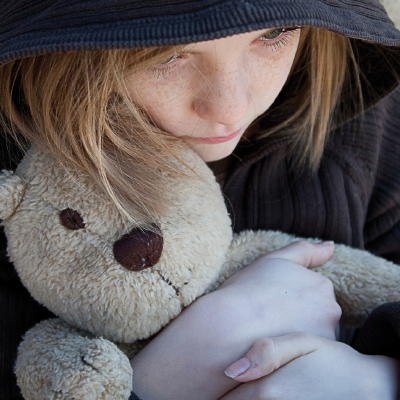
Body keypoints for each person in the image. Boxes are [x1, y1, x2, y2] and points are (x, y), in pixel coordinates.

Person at [0, 1, 399, 399]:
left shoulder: (361, 125)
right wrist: (160, 385)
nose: (231, 108)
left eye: (273, 33)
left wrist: (380, 379)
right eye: (168, 54)